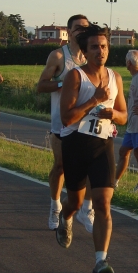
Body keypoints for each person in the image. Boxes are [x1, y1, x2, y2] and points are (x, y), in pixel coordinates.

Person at [58, 24, 127, 273]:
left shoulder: (115, 78)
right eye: (95, 47)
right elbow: (66, 118)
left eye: (104, 46)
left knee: (102, 203)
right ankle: (65, 217)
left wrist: (113, 115)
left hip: (102, 146)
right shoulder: (75, 77)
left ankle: (100, 261)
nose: (101, 51)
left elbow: (123, 115)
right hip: (75, 144)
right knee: (75, 203)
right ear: (85, 52)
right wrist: (94, 101)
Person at [37, 14, 94, 233]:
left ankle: (84, 209)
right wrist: (63, 82)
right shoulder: (59, 56)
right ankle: (55, 206)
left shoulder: (91, 55)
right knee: (60, 166)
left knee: (88, 168)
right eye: (78, 28)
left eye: (85, 28)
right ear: (68, 31)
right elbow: (41, 85)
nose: (82, 31)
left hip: (86, 123)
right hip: (61, 123)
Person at [115, 50, 138, 193]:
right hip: (131, 124)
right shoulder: (135, 77)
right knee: (123, 151)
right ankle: (114, 182)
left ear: (129, 63)